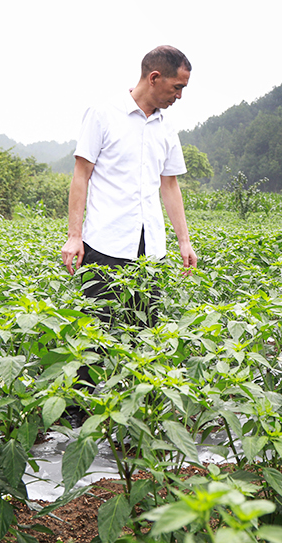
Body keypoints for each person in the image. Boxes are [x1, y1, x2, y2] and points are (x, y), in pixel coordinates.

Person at [59, 46, 197, 414]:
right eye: (177, 87)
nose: (179, 96)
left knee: (145, 333)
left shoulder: (166, 127)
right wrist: (74, 235)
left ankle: (138, 413)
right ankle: (77, 416)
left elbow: (170, 185)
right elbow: (81, 175)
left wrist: (184, 241)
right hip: (105, 244)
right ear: (154, 78)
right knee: (94, 333)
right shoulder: (103, 114)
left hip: (150, 250)